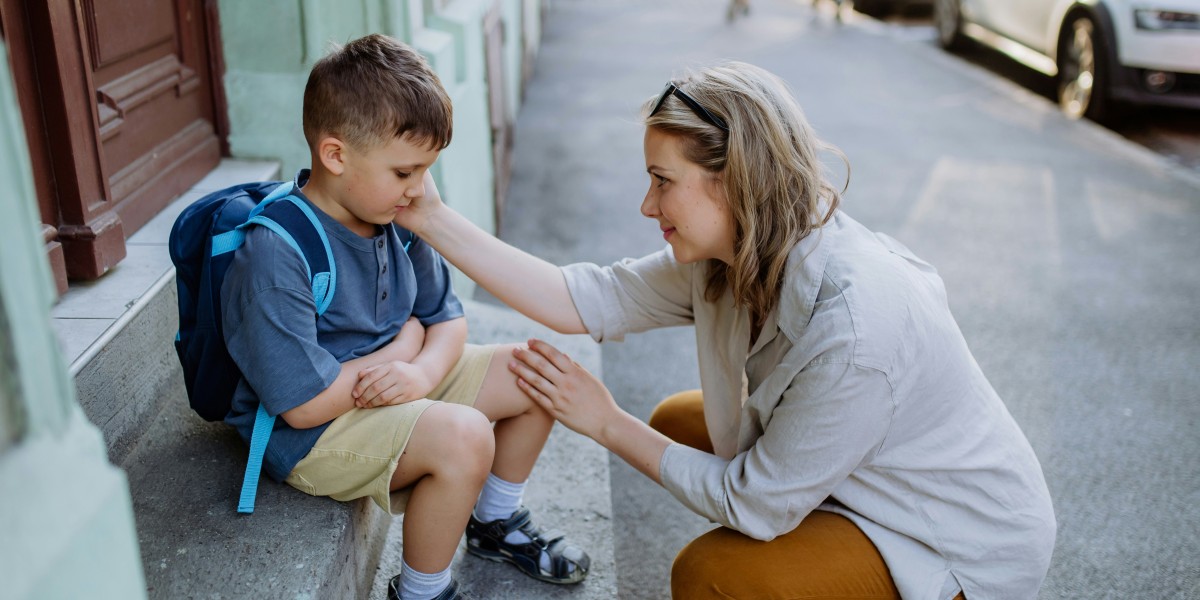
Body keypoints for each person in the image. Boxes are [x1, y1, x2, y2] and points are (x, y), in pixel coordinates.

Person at [396, 61, 1057, 599]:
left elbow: (758, 506)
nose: (647, 205)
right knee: (686, 424)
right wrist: (427, 214)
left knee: (715, 576)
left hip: (954, 540)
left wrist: (605, 422)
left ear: (734, 182)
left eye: (663, 182)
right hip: (868, 480)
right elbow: (584, 298)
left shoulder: (857, 328)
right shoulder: (730, 251)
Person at [220, 34, 589, 600]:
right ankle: (422, 591)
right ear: (336, 154)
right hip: (317, 432)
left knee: (539, 374)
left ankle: (493, 522)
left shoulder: (396, 213)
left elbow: (445, 320)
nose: (420, 189)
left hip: (392, 383)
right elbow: (301, 405)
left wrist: (419, 371)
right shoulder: (276, 254)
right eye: (405, 171)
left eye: (427, 169)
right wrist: (401, 352)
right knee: (464, 437)